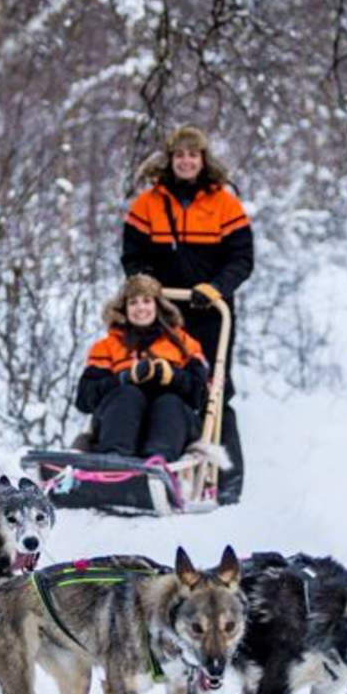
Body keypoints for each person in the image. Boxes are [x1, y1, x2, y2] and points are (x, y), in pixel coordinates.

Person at [121, 125, 252, 498]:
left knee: (213, 390)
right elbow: (132, 255)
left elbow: (242, 258)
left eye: (193, 155)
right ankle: (148, 465)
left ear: (203, 160)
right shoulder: (148, 204)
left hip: (211, 313)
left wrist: (216, 288)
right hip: (161, 313)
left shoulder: (224, 204)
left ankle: (226, 481)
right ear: (170, 159)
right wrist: (146, 286)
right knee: (157, 382)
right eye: (180, 155)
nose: (186, 161)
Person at [74, 275, 209, 463]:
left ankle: (158, 463)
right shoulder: (106, 346)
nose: (140, 308)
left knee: (168, 402)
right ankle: (114, 461)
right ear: (124, 309)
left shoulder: (184, 344)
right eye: (133, 302)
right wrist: (123, 378)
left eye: (147, 301)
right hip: (119, 423)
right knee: (128, 394)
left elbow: (200, 396)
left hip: (172, 425)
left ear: (157, 306)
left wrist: (173, 376)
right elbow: (85, 399)